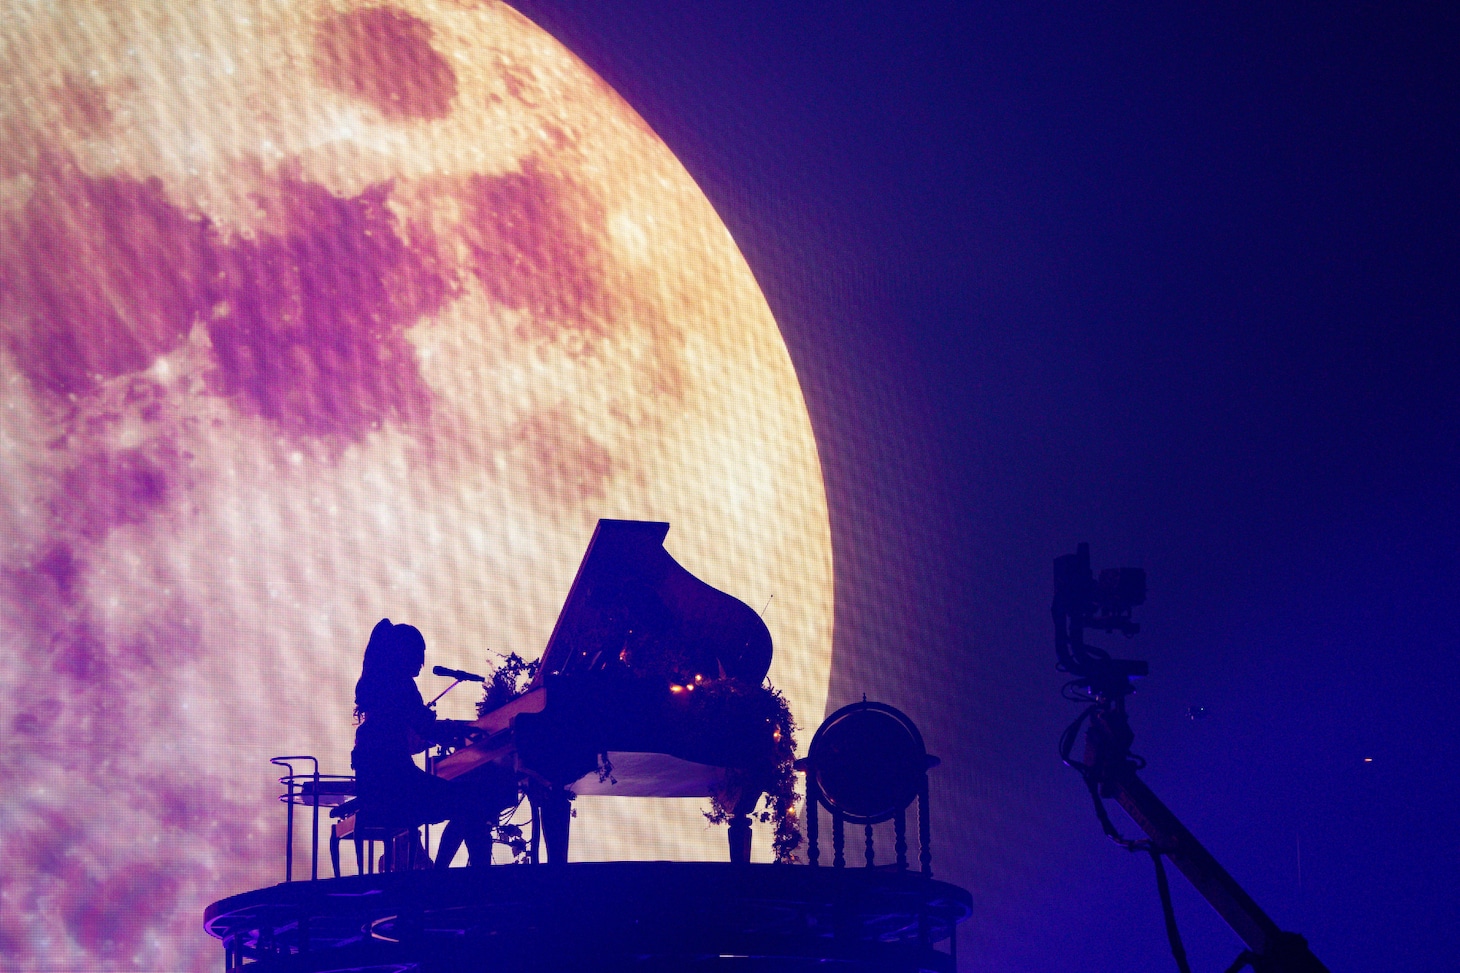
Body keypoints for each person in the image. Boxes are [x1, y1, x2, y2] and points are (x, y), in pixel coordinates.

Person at [351, 618, 517, 868]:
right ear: (403, 653)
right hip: (401, 788)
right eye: (419, 653)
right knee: (472, 801)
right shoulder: (402, 685)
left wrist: (449, 730)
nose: (422, 661)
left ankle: (442, 874)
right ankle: (473, 879)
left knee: (467, 800)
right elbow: (425, 728)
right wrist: (463, 729)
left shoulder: (379, 685)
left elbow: (416, 729)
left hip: (380, 789)